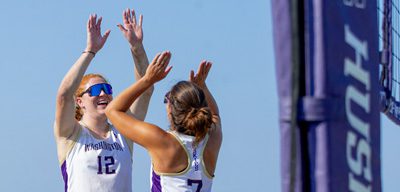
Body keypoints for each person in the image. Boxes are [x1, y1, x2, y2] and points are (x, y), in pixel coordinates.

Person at [54, 8, 152, 192]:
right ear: (80, 101)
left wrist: (137, 47)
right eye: (95, 90)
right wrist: (90, 51)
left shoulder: (123, 131)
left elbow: (145, 89)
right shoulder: (71, 132)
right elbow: (63, 96)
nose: (103, 94)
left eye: (107, 89)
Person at [105, 55, 222, 192]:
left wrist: (148, 80)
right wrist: (203, 88)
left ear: (171, 108)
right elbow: (215, 115)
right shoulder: (213, 139)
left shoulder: (162, 141)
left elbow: (112, 110)